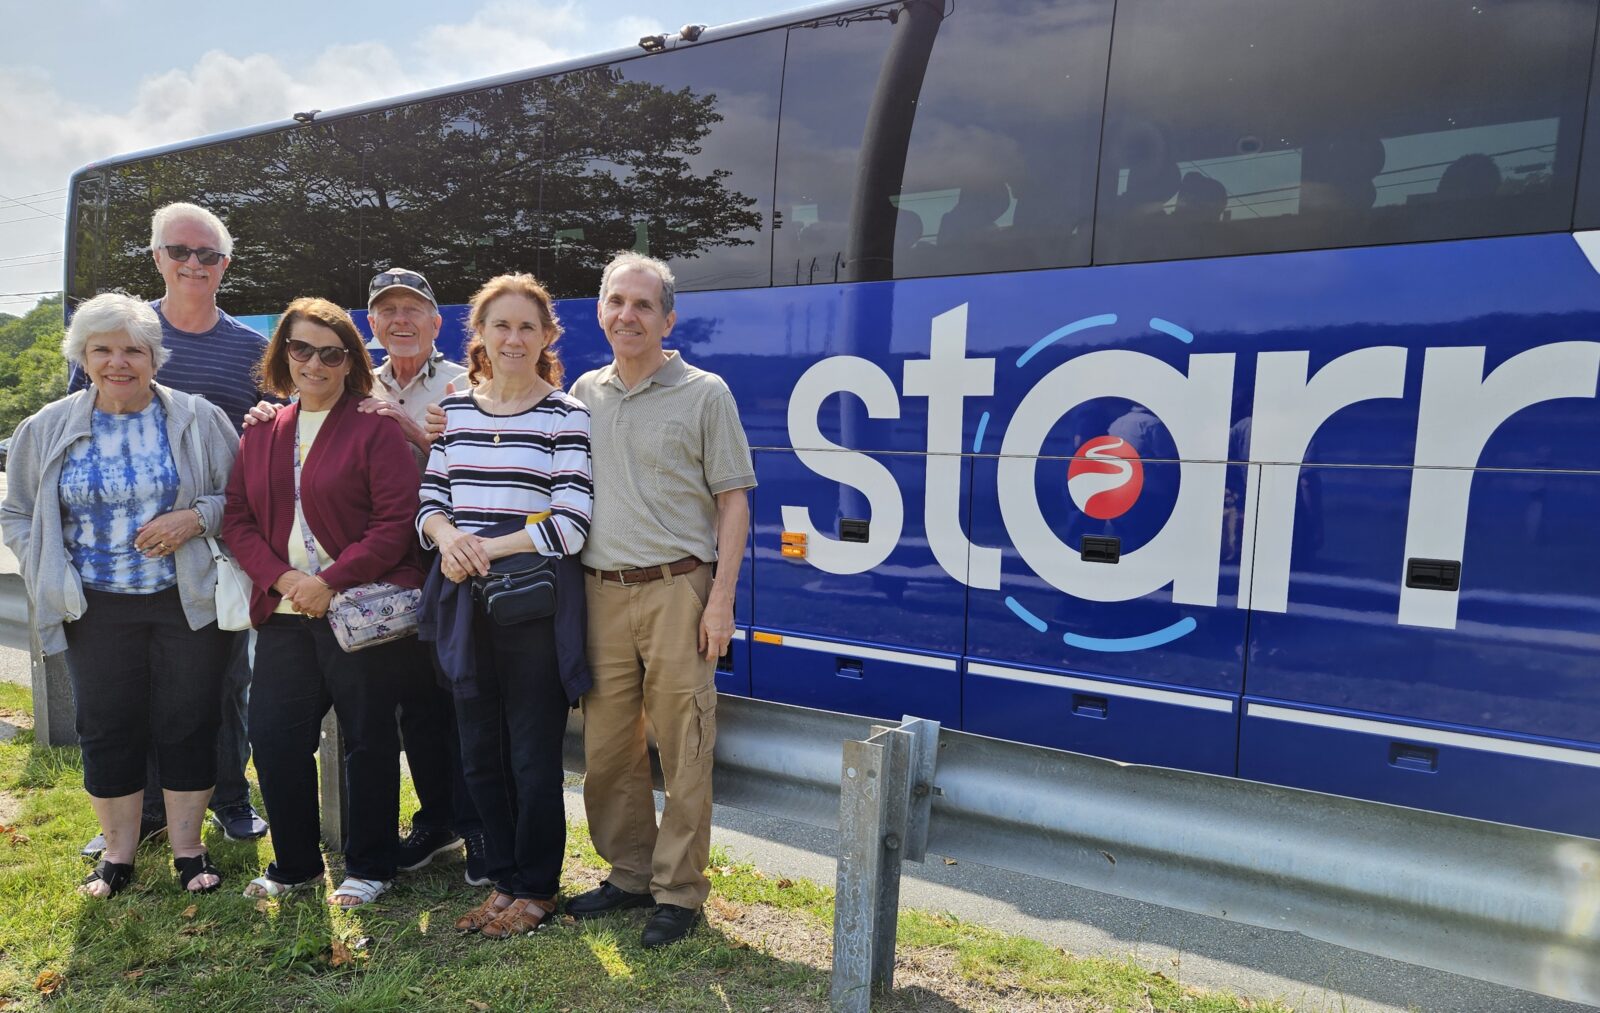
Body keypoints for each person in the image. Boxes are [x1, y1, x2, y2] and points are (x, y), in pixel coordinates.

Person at [1, 293, 239, 897]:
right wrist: (49, 571)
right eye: (102, 349)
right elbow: (19, 513)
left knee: (190, 720)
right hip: (94, 604)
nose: (118, 362)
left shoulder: (198, 417)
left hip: (186, 600)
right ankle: (118, 855)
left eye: (133, 349)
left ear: (155, 357)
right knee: (106, 725)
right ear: (83, 356)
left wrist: (194, 519)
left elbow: (242, 500)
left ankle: (189, 850)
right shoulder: (46, 426)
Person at [565, 252, 755, 948]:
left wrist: (720, 601)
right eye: (617, 302)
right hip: (599, 593)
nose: (628, 315)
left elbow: (733, 502)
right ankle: (629, 873)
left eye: (644, 305)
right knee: (609, 749)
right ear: (601, 312)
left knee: (684, 747)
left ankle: (678, 890)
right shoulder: (584, 391)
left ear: (668, 318)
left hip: (680, 589)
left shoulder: (706, 393)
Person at [69, 202, 270, 856]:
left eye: (207, 255)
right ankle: (148, 813)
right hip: (117, 569)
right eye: (179, 251)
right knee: (135, 692)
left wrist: (200, 517)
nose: (193, 264)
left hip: (211, 551)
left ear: (224, 266)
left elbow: (261, 457)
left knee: (224, 685)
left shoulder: (250, 350)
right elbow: (75, 435)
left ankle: (232, 801)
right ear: (157, 258)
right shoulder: (119, 339)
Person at [222, 298, 423, 906]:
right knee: (275, 738)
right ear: (284, 352)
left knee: (368, 740)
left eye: (330, 353)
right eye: (301, 349)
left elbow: (396, 523)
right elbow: (237, 521)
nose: (314, 362)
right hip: (285, 616)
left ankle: (371, 865)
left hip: (357, 612)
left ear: (349, 362)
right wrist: (285, 581)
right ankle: (296, 864)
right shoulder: (263, 428)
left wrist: (328, 580)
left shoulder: (374, 425)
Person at [417, 274, 593, 940]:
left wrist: (486, 544)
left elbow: (572, 523)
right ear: (481, 336)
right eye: (501, 325)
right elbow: (430, 503)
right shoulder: (455, 410)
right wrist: (447, 536)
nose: (514, 338)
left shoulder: (565, 414)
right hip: (466, 603)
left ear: (547, 336)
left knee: (531, 754)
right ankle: (504, 877)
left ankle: (538, 886)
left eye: (528, 326)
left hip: (533, 610)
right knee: (479, 752)